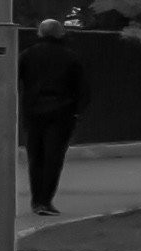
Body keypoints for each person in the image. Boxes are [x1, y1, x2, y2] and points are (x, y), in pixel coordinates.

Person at [18, 16, 89, 216]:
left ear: (40, 33)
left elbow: (14, 77)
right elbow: (83, 88)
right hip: (62, 112)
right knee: (54, 157)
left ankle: (36, 200)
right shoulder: (70, 57)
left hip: (33, 111)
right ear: (61, 33)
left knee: (36, 156)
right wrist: (77, 111)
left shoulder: (28, 55)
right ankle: (46, 199)